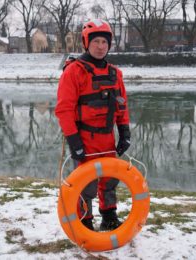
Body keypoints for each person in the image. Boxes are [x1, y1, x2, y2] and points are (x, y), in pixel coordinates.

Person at [55, 19, 131, 231]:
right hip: (84, 139)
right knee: (85, 184)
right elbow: (64, 110)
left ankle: (109, 216)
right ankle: (85, 222)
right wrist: (74, 141)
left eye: (104, 42)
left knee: (110, 181)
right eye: (96, 41)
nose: (100, 46)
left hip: (108, 138)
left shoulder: (116, 73)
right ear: (86, 43)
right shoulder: (73, 71)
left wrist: (124, 132)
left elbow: (122, 105)